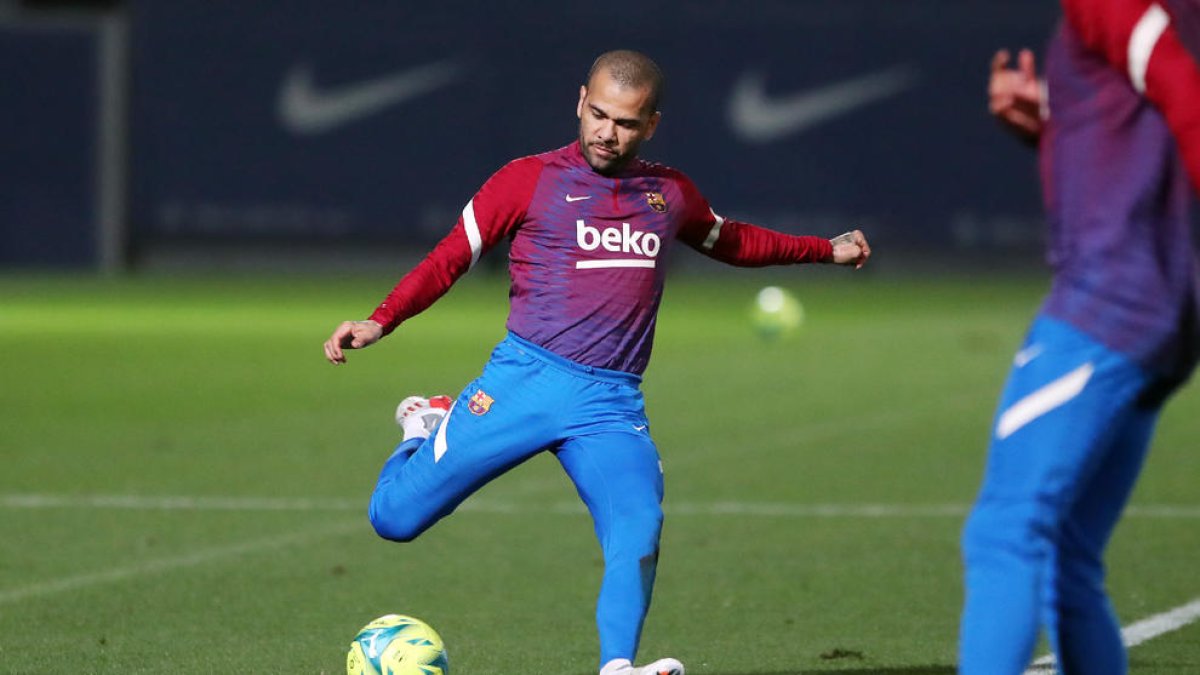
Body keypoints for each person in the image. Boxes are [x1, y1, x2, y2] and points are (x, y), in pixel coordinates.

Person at [325, 49, 871, 675]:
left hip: (611, 403)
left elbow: (734, 240)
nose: (608, 132)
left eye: (627, 123)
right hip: (524, 382)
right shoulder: (526, 179)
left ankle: (617, 667)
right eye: (600, 114)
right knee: (394, 520)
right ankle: (422, 427)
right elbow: (451, 256)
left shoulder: (669, 193)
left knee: (637, 532)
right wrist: (379, 319)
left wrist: (823, 251)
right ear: (581, 101)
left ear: (651, 125)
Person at [960, 1, 1200, 673]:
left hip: (1109, 305)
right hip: (1161, 307)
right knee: (1068, 553)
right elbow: (1143, 131)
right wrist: (1055, 125)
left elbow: (1183, 89)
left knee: (1004, 532)